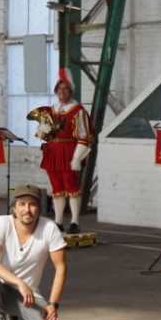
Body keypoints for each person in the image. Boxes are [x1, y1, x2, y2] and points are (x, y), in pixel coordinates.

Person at [0, 183, 67, 320]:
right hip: (1, 290)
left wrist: (53, 305)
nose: (27, 209)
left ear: (39, 208)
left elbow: (60, 267)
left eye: (32, 204)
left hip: (29, 297)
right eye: (22, 204)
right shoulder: (2, 222)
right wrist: (19, 283)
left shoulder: (49, 228)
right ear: (14, 208)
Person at [35, 68, 94, 234]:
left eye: (66, 88)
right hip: (52, 152)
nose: (62, 91)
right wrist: (42, 130)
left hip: (69, 151)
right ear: (56, 91)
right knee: (56, 187)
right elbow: (41, 136)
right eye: (59, 89)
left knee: (71, 186)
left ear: (71, 90)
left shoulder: (78, 110)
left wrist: (77, 157)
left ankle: (75, 222)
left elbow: (85, 135)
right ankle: (58, 221)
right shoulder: (50, 110)